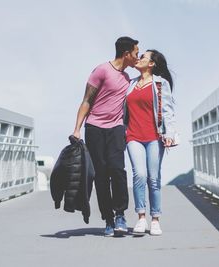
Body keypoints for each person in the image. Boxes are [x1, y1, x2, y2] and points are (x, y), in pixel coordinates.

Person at [72, 36, 139, 236]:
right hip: (94, 128)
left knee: (118, 170)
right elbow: (86, 100)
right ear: (126, 54)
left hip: (116, 129)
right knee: (101, 175)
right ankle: (108, 219)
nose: (137, 57)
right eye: (136, 53)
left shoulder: (128, 78)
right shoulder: (101, 70)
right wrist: (77, 129)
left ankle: (120, 214)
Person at [124, 49, 176, 236]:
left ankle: (155, 219)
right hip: (133, 136)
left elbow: (168, 110)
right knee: (139, 174)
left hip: (155, 137)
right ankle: (141, 217)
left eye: (143, 57)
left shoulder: (161, 84)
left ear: (151, 64)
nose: (138, 59)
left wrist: (169, 133)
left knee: (153, 178)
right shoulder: (130, 84)